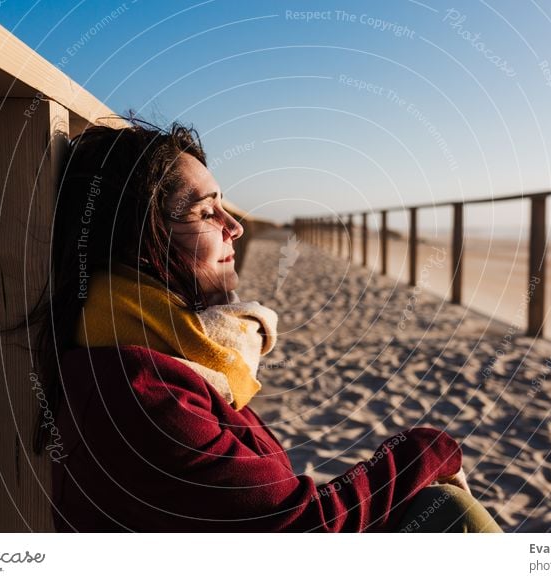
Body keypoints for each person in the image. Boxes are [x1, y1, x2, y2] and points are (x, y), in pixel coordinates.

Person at [28, 116, 501, 533]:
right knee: (447, 512)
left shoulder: (170, 358)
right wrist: (424, 449)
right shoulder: (138, 390)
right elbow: (297, 528)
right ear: (139, 239)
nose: (235, 227)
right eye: (205, 211)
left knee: (436, 510)